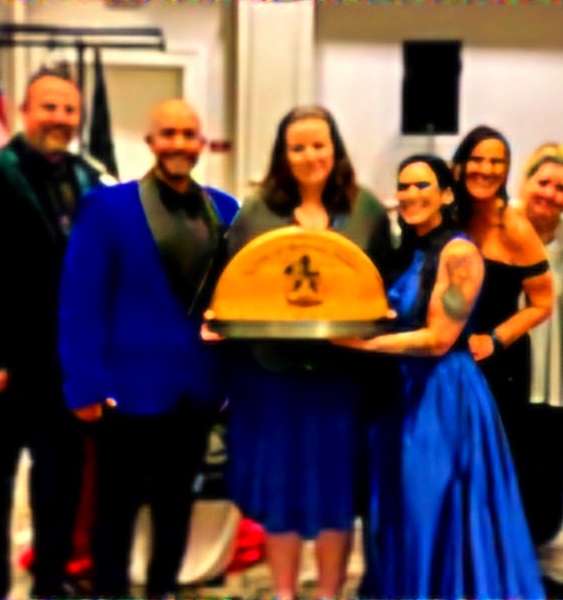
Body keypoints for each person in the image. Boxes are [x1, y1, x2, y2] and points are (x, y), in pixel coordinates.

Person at [336, 155, 545, 600]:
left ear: (447, 195)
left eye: (422, 185)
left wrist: (362, 346)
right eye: (404, 186)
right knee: (397, 503)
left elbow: (438, 339)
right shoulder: (406, 249)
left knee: (428, 504)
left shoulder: (459, 254)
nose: (410, 194)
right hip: (397, 390)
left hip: (441, 396)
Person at [58, 98, 238, 598]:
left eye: (188, 134)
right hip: (125, 390)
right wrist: (84, 386)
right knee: (114, 511)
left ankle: (162, 590)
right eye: (169, 134)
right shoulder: (106, 207)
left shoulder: (226, 209)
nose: (179, 144)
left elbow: (236, 298)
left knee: (176, 507)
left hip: (197, 390)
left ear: (201, 144)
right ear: (151, 141)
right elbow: (80, 300)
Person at [214, 106, 393, 599]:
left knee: (337, 493)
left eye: (319, 145)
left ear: (335, 149)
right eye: (298, 147)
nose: (310, 156)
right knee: (281, 493)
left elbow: (385, 284)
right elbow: (234, 282)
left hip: (342, 380)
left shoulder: (367, 211)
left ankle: (329, 592)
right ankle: (285, 592)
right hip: (273, 380)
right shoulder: (256, 212)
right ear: (283, 154)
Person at [0, 66, 103, 598]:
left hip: (67, 368)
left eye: (69, 109)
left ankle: (50, 583)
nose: (60, 117)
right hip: (4, 368)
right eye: (49, 106)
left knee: (60, 482)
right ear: (25, 111)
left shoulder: (88, 179)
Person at [450, 125, 554, 543]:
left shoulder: (514, 227)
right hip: (445, 357)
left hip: (499, 363)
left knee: (490, 467)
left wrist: (494, 339)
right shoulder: (449, 217)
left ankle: (491, 559)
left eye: (497, 162)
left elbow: (543, 303)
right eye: (477, 159)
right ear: (460, 165)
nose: (486, 169)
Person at [515, 143, 563, 548]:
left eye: (561, 188)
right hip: (506, 375)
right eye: (543, 182)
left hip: (554, 375)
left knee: (547, 471)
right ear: (526, 182)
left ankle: (538, 538)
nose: (550, 194)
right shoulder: (500, 232)